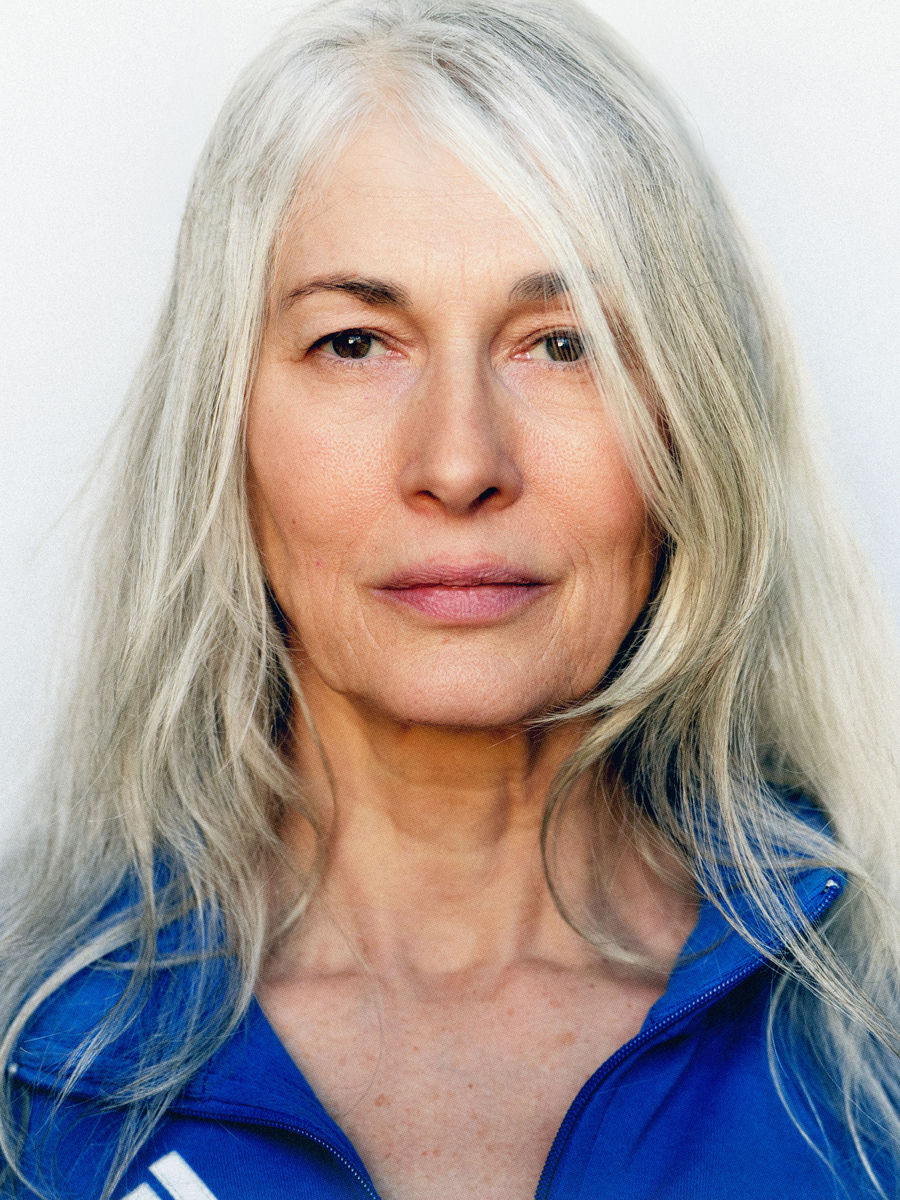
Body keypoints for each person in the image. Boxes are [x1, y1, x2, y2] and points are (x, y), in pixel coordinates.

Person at [2, 0, 899, 1197]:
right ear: (223, 424)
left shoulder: (871, 1045)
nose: (461, 461)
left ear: (693, 423)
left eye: (564, 344)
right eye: (356, 343)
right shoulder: (28, 1068)